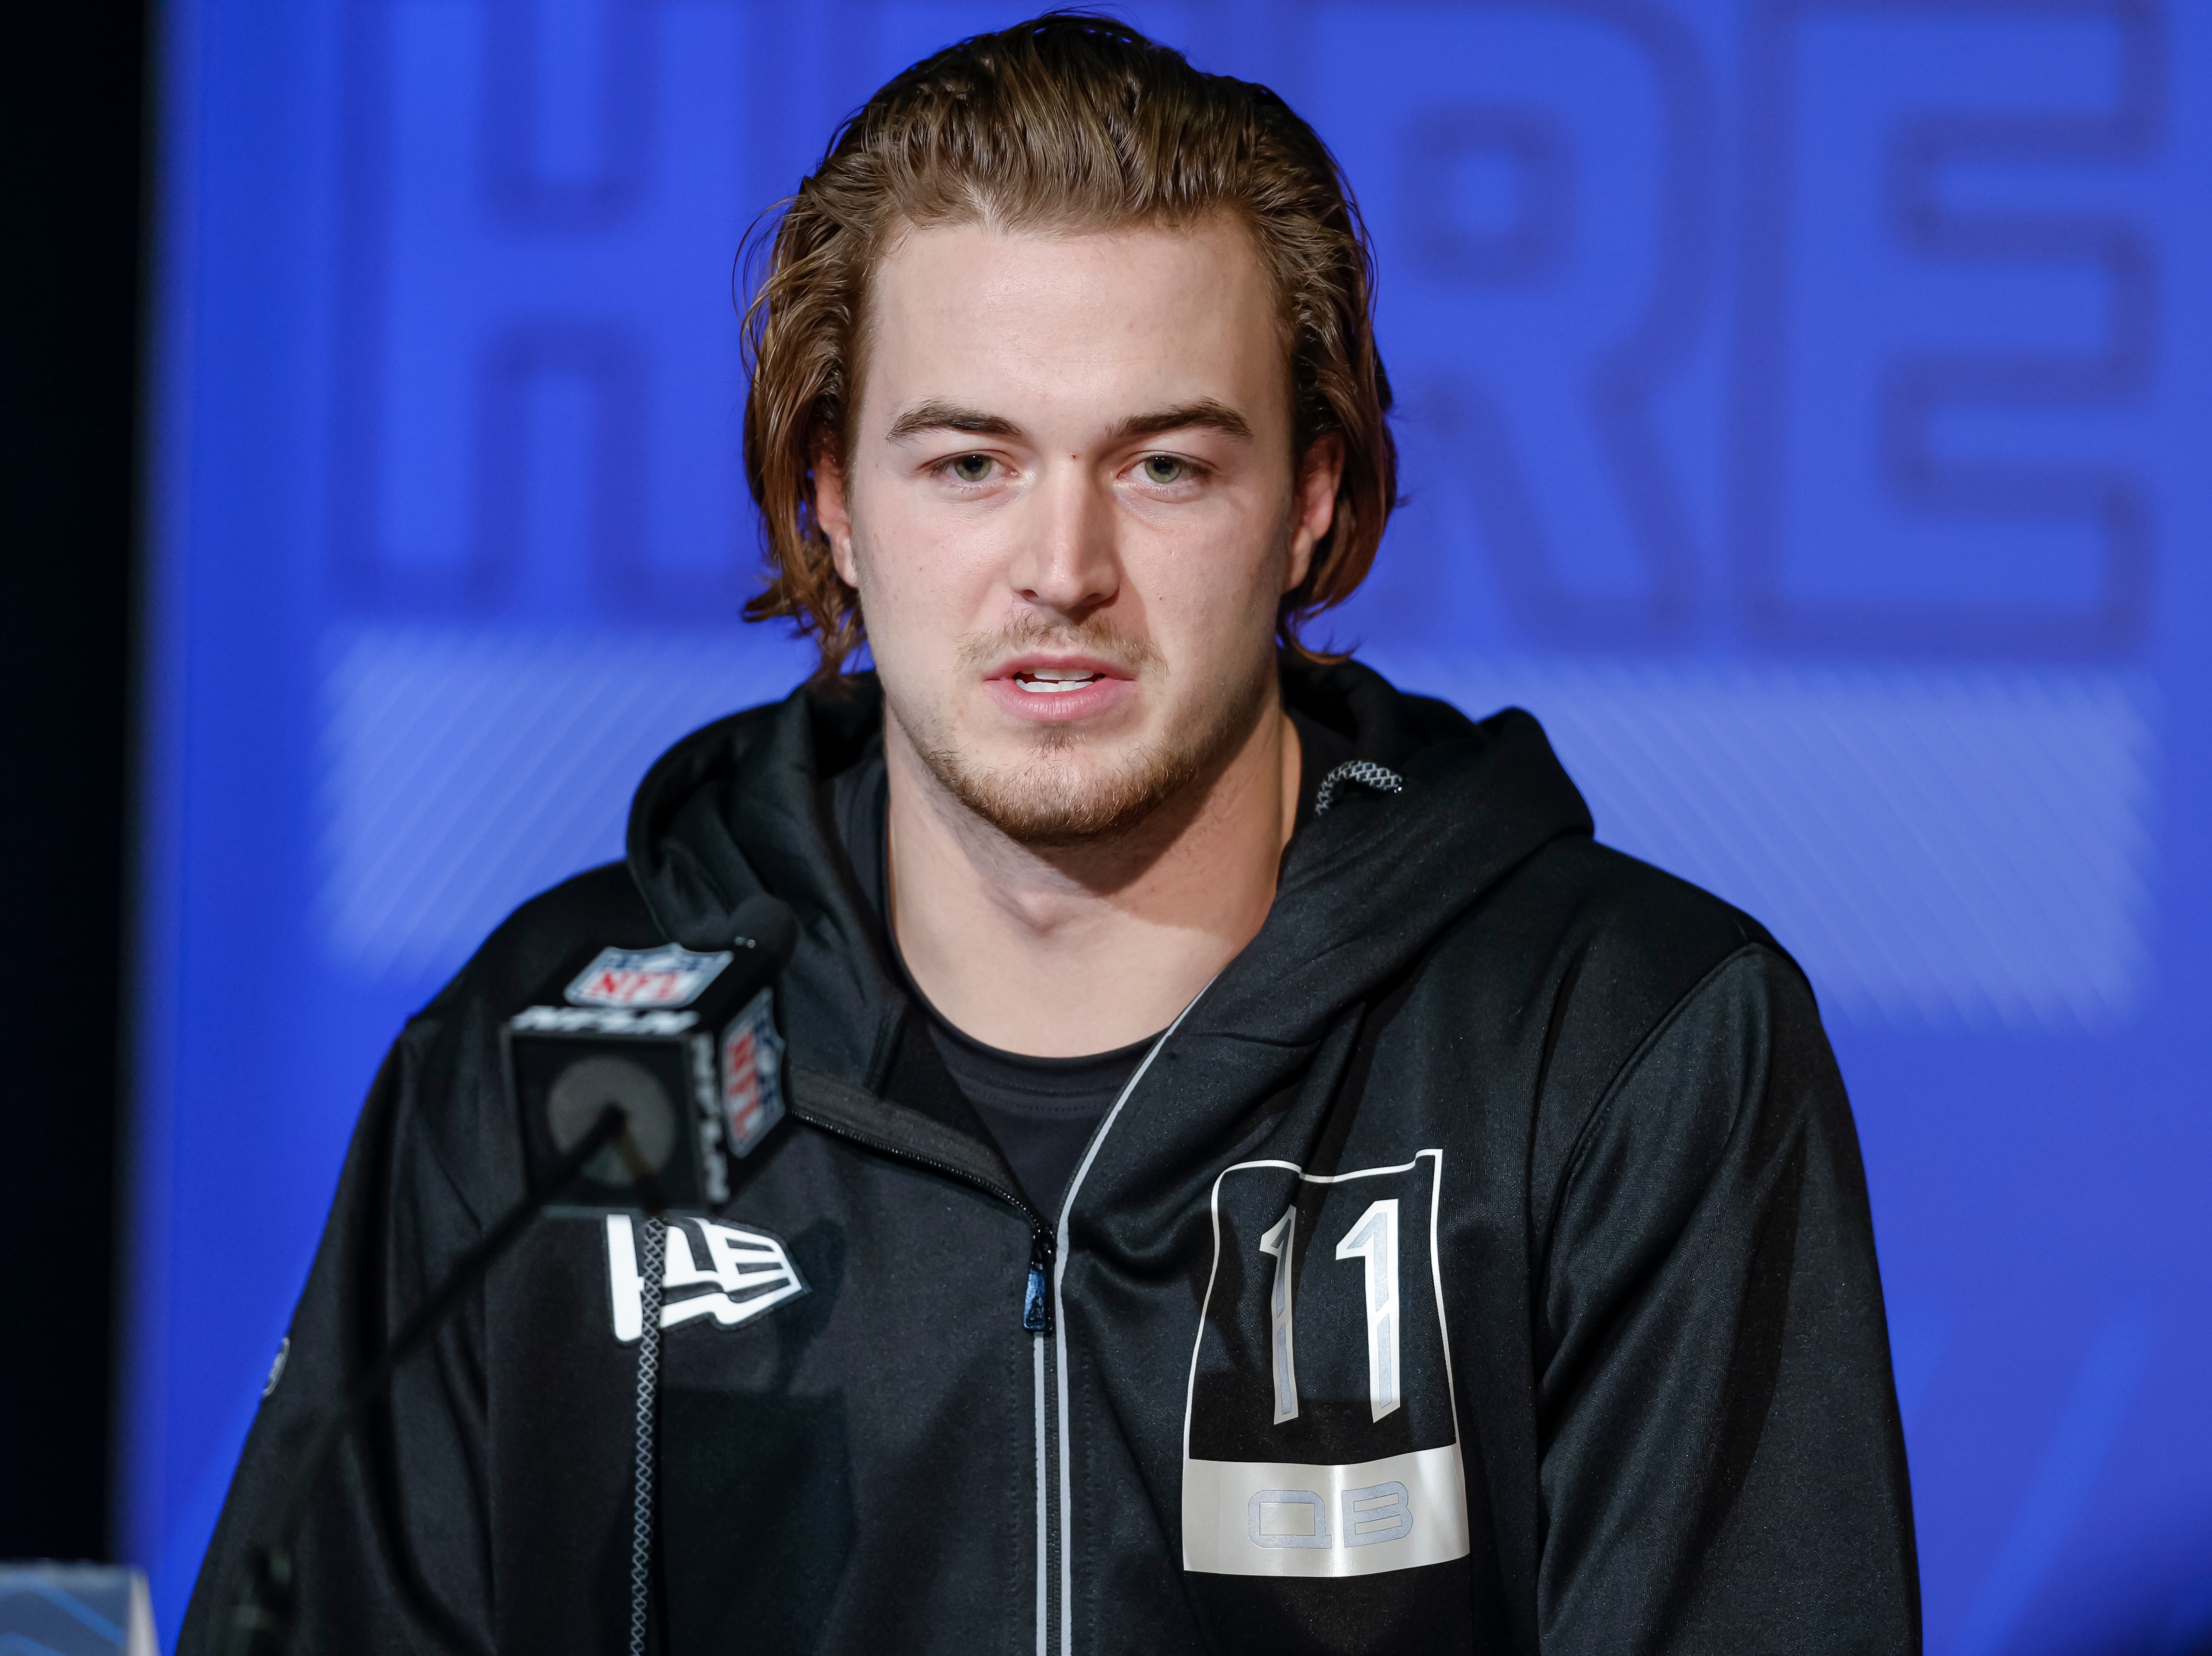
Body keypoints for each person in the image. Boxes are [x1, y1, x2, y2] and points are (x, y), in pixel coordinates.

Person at [182, 13, 1918, 1653]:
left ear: (1311, 499)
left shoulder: (1615, 1048)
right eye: (967, 464)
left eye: (1163, 466)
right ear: (827, 503)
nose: (1063, 569)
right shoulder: (541, 1058)